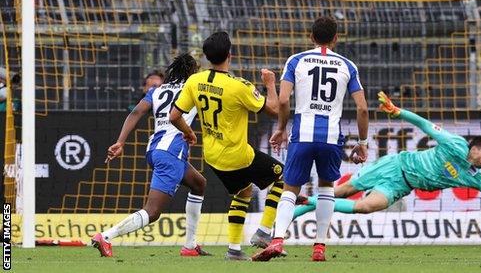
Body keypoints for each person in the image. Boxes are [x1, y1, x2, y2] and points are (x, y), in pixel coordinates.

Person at [290, 91, 481, 233]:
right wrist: (398, 112)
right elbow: (425, 126)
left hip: (401, 185)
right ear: (475, 148)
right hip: (396, 165)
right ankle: (286, 220)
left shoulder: (474, 178)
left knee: (365, 207)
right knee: (341, 192)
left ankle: (308, 202)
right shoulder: (455, 144)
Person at [253, 16, 369, 262]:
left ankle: (277, 240)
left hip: (302, 135)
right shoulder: (348, 65)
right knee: (327, 188)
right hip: (330, 137)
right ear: (336, 38)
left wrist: (282, 128)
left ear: (311, 37)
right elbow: (362, 109)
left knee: (290, 189)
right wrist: (363, 142)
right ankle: (319, 248)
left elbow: (283, 100)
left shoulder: (296, 60)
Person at [170, 31, 285, 261]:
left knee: (243, 191)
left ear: (206, 56)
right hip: (238, 155)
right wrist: (270, 85)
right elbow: (274, 110)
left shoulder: (195, 81)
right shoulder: (239, 86)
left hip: (212, 157)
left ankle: (233, 249)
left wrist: (189, 132)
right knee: (283, 175)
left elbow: (174, 116)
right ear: (230, 55)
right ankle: (264, 231)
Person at [91, 53, 209, 257]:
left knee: (199, 183)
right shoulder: (192, 90)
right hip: (170, 153)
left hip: (155, 150)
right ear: (191, 73)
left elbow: (136, 112)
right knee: (152, 212)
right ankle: (106, 236)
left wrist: (120, 141)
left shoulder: (156, 91)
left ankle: (190, 246)